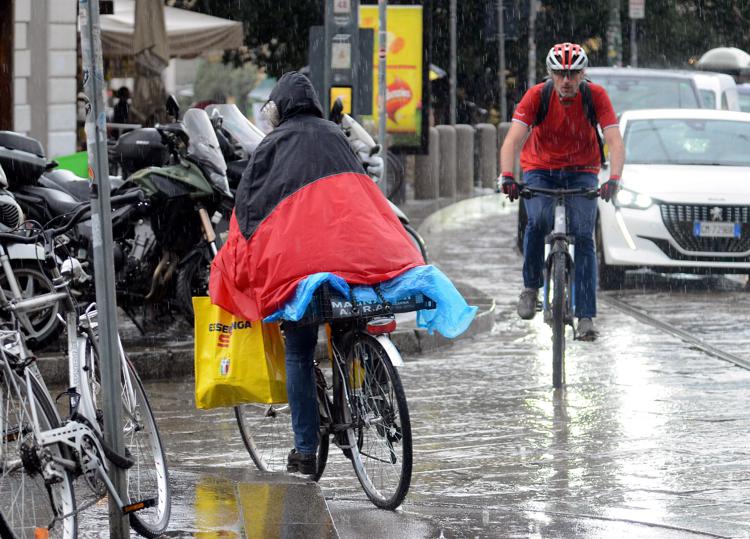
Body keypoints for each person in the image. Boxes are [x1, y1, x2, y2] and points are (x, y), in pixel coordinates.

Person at [209, 72, 425, 475]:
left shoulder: (272, 145)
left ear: (278, 109)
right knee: (347, 328)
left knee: (299, 349)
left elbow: (250, 207)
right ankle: (352, 414)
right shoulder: (335, 136)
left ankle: (306, 451)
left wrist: (239, 251)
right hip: (351, 262)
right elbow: (359, 189)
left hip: (301, 268)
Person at [498, 42, 625, 340]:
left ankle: (585, 317)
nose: (566, 80)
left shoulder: (596, 96)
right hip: (540, 169)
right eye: (560, 73)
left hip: (582, 171)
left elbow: (615, 141)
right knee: (537, 221)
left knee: (583, 235)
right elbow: (512, 141)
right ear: (550, 73)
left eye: (572, 73)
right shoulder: (536, 96)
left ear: (582, 74)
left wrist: (614, 178)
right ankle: (531, 288)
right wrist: (507, 176)